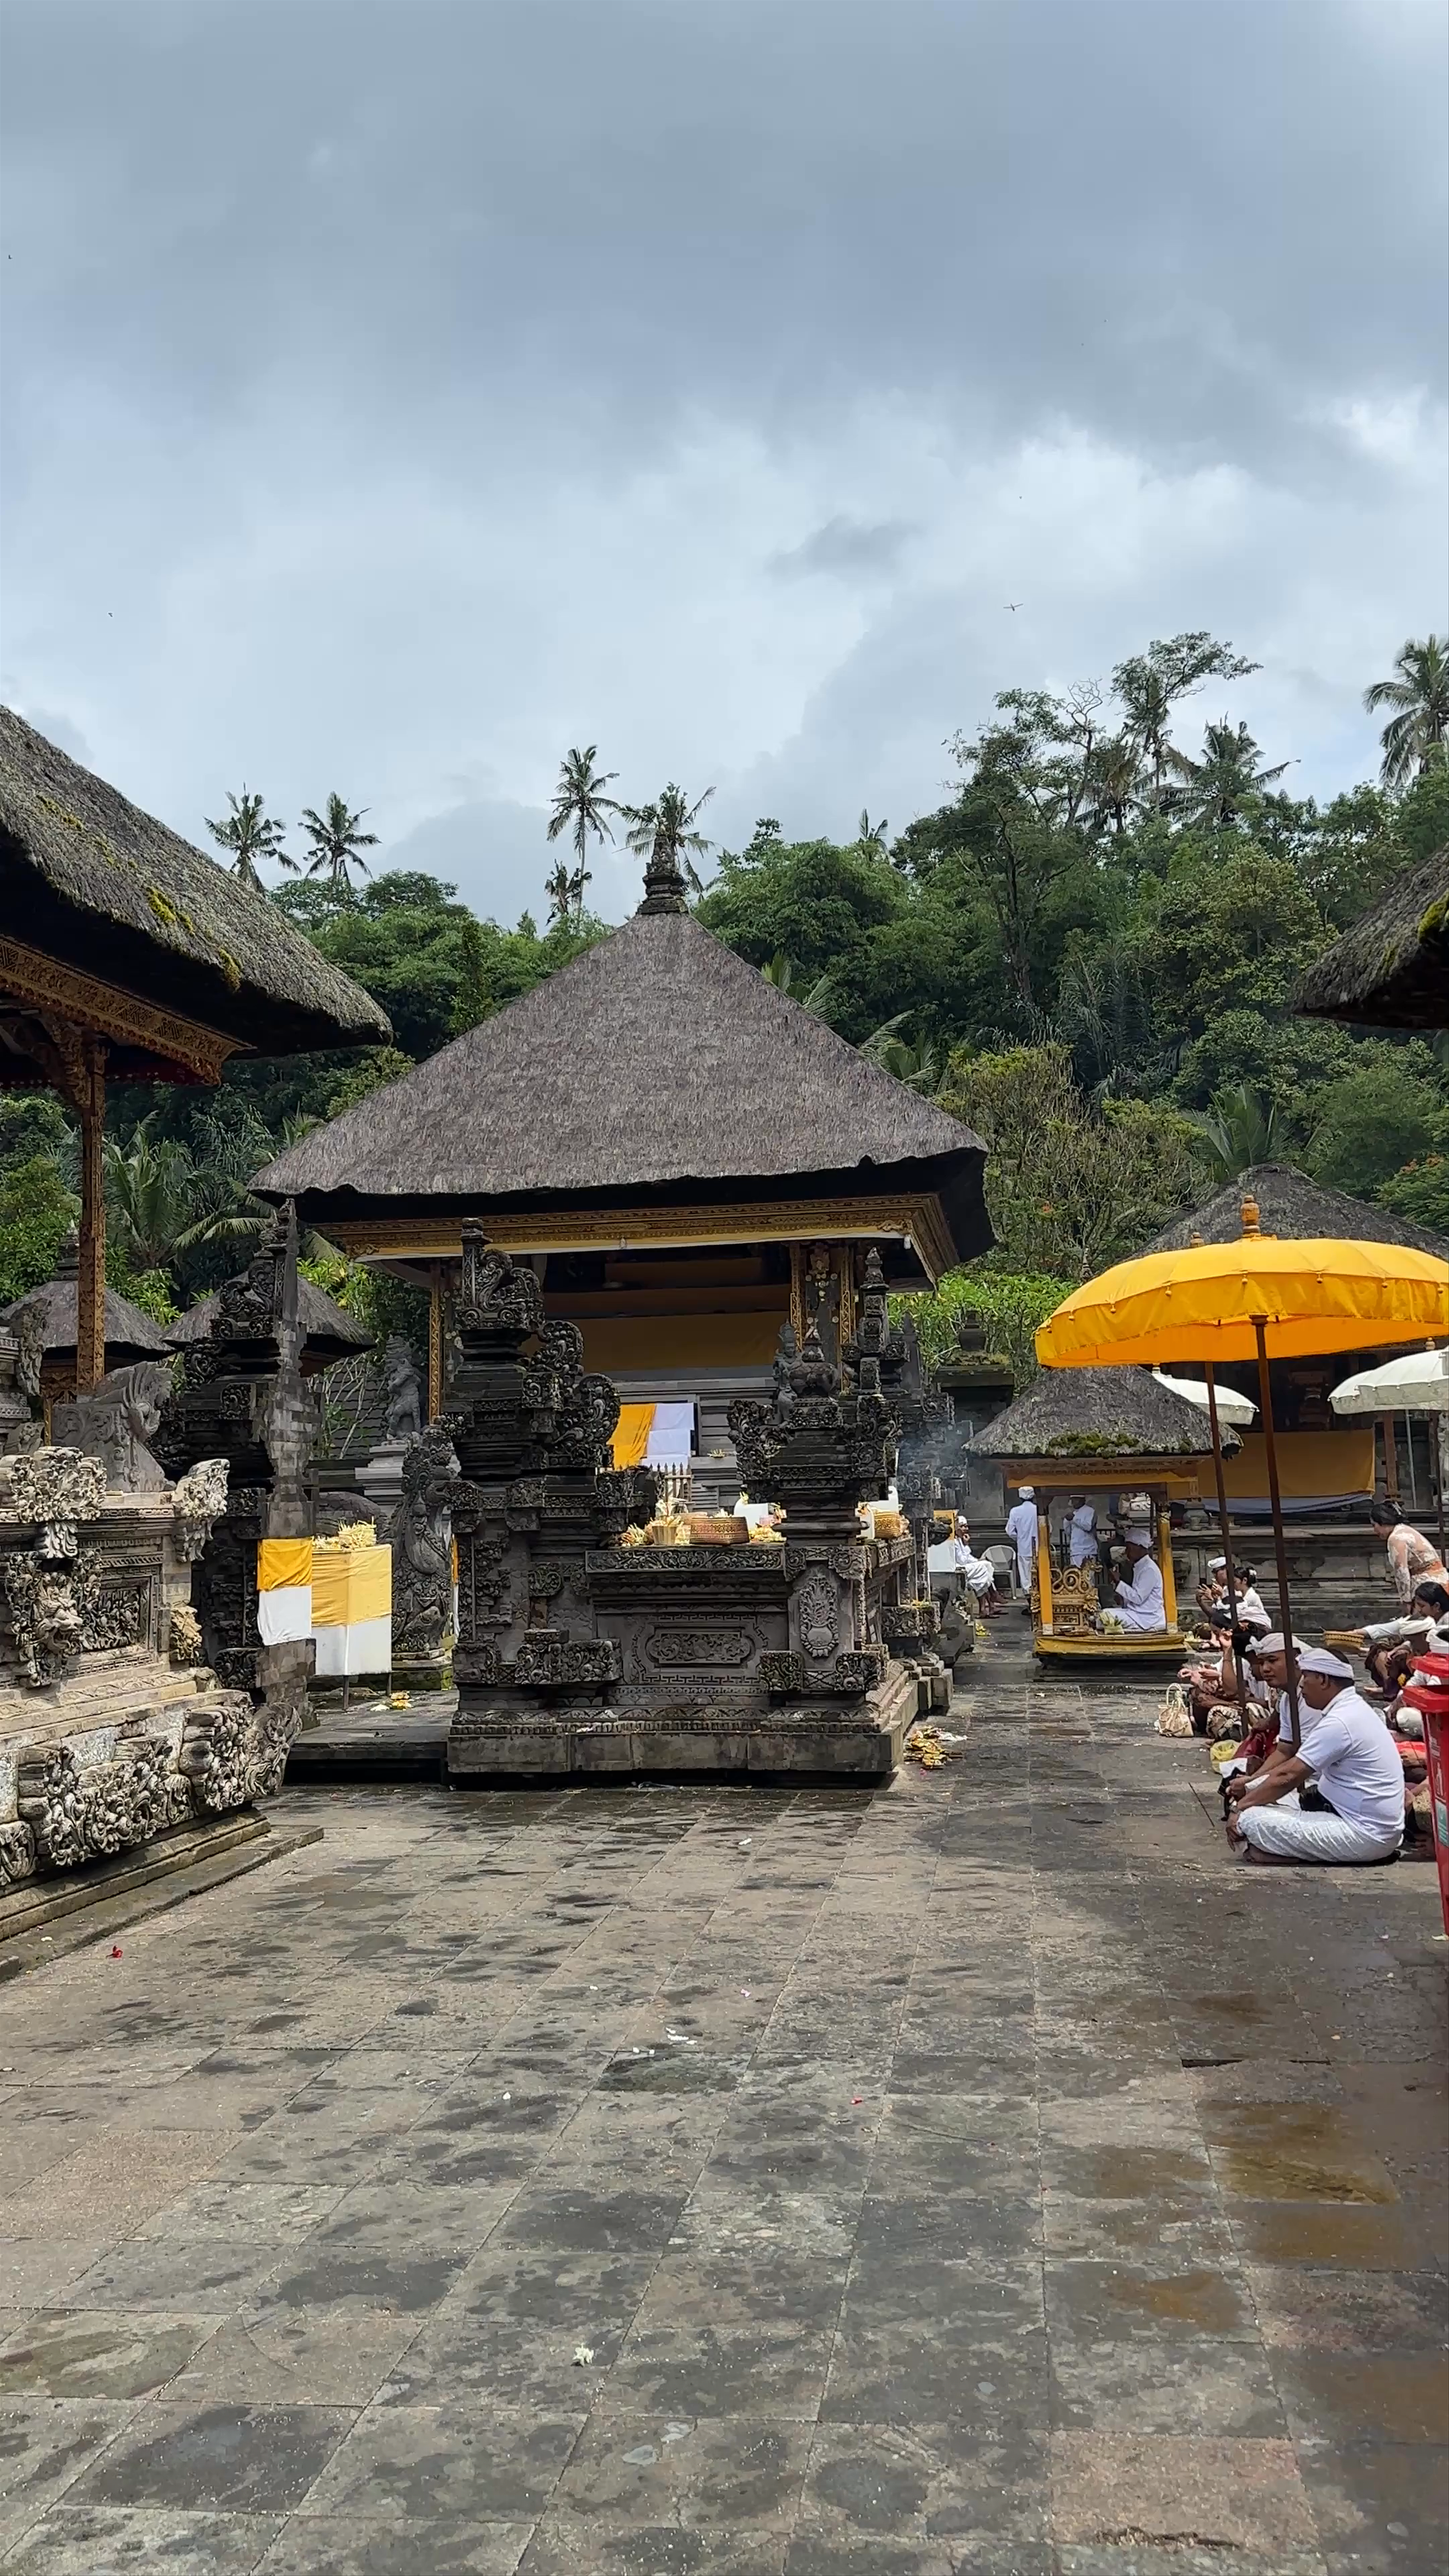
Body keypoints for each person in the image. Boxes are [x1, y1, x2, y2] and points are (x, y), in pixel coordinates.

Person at [1225, 1647, 1405, 1865]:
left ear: (1323, 1680)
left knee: (1251, 1820)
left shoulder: (1341, 1720)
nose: (1302, 1685)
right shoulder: (1351, 1709)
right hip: (1355, 1820)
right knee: (1260, 1798)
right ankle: (1277, 1851)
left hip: (1365, 1834)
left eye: (1306, 1678)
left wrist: (1239, 1808)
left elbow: (1289, 1775)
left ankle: (1281, 1854)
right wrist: (1251, 1790)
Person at [1368, 1496, 1446, 1607]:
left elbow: (1402, 1572)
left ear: (1383, 1521)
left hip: (1429, 1586)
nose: (1375, 1530)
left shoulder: (1396, 1538)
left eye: (1374, 1525)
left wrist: (1406, 1601)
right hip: (1439, 1580)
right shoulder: (1404, 1530)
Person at [1112, 1528, 1166, 1632]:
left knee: (1105, 1617)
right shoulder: (1140, 1566)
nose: (1127, 1552)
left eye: (1129, 1549)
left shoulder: (1149, 1569)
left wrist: (1118, 1582)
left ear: (1140, 1548)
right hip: (1138, 1615)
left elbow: (1138, 1598)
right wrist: (1123, 1600)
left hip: (1147, 1619)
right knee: (1104, 1614)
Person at [1004, 1485, 1038, 1606]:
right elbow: (1048, 1529)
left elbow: (1010, 1531)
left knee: (1026, 1578)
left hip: (1024, 1549)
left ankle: (1031, 1604)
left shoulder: (1015, 1511)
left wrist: (1020, 1538)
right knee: (1039, 1576)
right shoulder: (1039, 1509)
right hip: (1040, 1549)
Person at [1067, 1494, 1098, 1566]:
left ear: (1082, 1500)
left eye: (1075, 1500)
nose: (1073, 1502)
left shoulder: (1090, 1511)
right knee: (1075, 1575)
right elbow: (1069, 1532)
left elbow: (1088, 1527)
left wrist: (1074, 1519)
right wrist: (1067, 1521)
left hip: (1087, 1551)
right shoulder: (1074, 1513)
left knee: (1088, 1576)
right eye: (1072, 1500)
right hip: (1075, 1551)